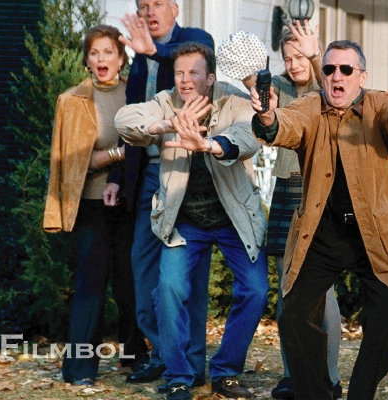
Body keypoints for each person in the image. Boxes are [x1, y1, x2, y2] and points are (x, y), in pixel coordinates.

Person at [251, 39, 388, 400]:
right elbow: (287, 125)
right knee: (294, 314)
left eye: (346, 69)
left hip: (374, 235)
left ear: (361, 76)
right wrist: (269, 118)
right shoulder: (309, 105)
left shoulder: (379, 104)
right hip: (321, 233)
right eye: (330, 69)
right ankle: (319, 393)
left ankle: (361, 394)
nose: (337, 76)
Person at [115, 42, 269, 400]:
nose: (184, 80)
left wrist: (209, 145)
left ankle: (226, 372)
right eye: (179, 73)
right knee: (169, 290)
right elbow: (124, 120)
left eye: (193, 73)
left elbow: (249, 138)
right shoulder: (166, 101)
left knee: (256, 290)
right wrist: (166, 124)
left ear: (210, 78)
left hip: (234, 220)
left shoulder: (233, 101)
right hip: (185, 222)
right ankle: (179, 376)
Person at [107, 0, 215, 387]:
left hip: (189, 171)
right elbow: (131, 121)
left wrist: (154, 51)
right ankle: (166, 355)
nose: (149, 11)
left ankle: (192, 363)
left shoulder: (195, 39)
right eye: (143, 6)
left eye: (157, 4)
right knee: (144, 268)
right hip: (148, 175)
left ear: (175, 8)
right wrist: (117, 176)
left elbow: (193, 62)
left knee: (189, 277)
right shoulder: (140, 58)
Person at [232, 22, 342, 399]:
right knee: (287, 289)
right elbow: (256, 90)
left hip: (321, 190)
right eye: (288, 58)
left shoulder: (328, 87)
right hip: (287, 189)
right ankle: (293, 375)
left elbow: (329, 91)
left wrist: (316, 56)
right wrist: (245, 66)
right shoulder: (278, 87)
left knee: (322, 288)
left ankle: (329, 377)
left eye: (300, 57)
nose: (294, 64)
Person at [43, 24, 148, 386]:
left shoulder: (136, 95)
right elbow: (74, 162)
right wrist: (119, 153)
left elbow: (148, 147)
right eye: (94, 53)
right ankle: (79, 368)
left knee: (130, 282)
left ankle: (136, 360)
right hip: (90, 204)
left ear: (121, 58)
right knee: (91, 284)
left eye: (108, 52)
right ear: (86, 60)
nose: (101, 59)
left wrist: (122, 157)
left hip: (130, 202)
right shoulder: (72, 101)